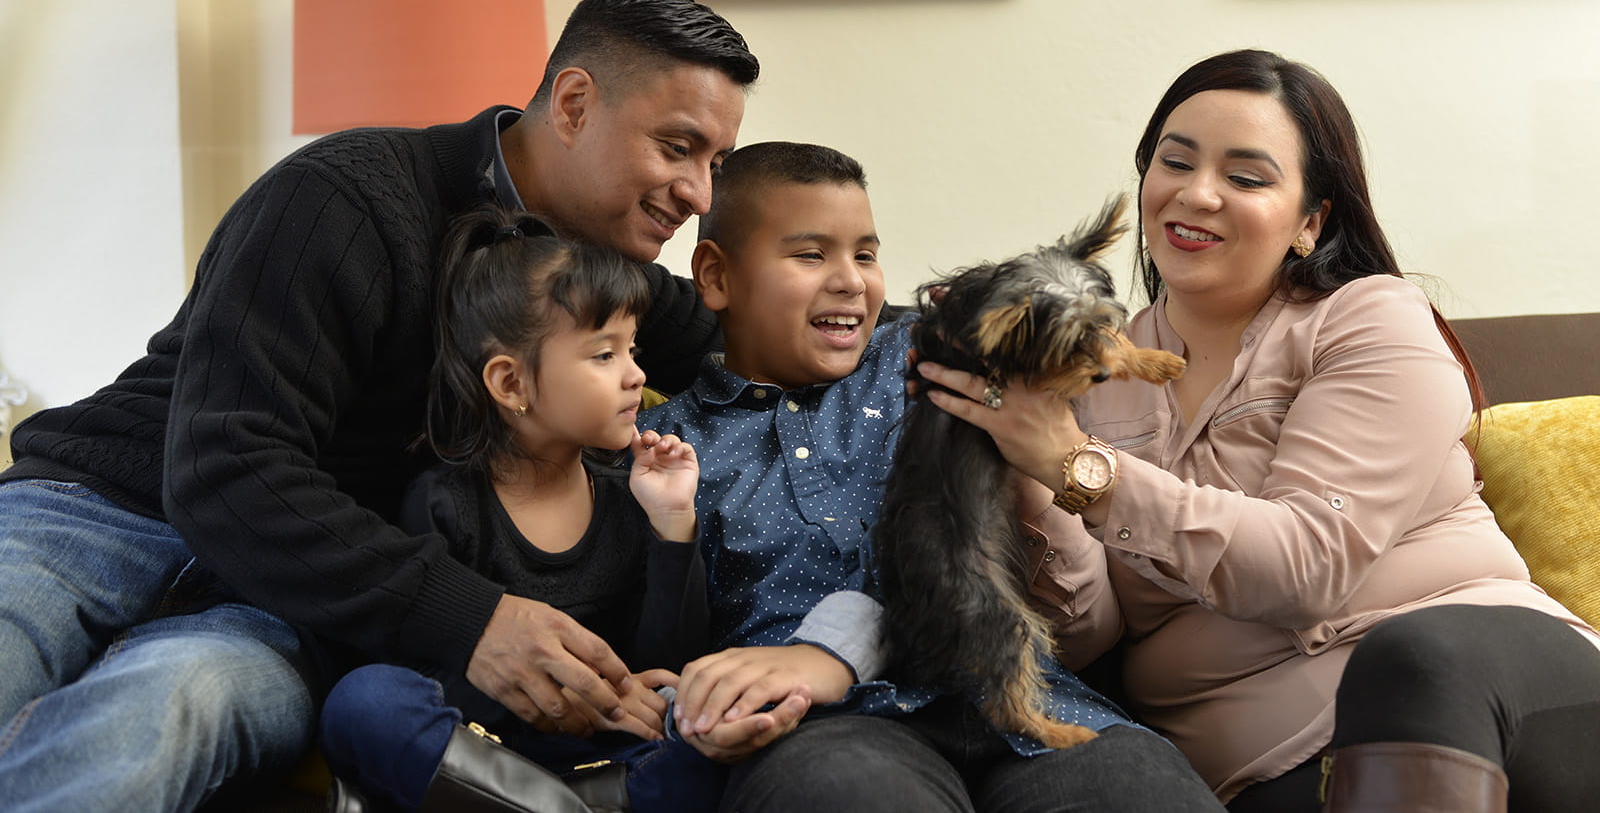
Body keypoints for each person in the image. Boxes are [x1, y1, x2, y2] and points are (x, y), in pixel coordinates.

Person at [0, 0, 757, 812]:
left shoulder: (607, 290)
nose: (701, 195)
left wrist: (921, 338)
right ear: (574, 104)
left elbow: (774, 333)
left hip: (287, 607)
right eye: (678, 147)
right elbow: (226, 462)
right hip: (101, 508)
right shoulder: (347, 194)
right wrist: (471, 616)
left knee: (156, 719)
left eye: (715, 163)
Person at [916, 49, 1600, 812]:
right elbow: (1086, 636)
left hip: (1491, 688)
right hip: (1260, 766)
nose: (1196, 194)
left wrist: (1078, 464)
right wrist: (1023, 463)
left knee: (1414, 657)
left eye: (1245, 177)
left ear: (1310, 221)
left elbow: (1308, 564)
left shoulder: (1370, 320)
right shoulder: (1088, 372)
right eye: (1174, 163)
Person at [639, 141, 1224, 813]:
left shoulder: (925, 357)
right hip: (826, 726)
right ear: (714, 277)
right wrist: (692, 699)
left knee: (1137, 791)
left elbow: (1035, 316)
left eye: (865, 254)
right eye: (810, 254)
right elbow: (664, 648)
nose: (851, 280)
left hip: (1026, 698)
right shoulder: (669, 447)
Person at [318, 206, 721, 812]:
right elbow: (431, 673)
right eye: (603, 355)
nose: (637, 374)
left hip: (607, 756)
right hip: (483, 752)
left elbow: (665, 666)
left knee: (717, 731)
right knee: (366, 700)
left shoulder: (625, 497)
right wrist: (576, 703)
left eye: (633, 350)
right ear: (511, 384)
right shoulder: (446, 502)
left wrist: (670, 523)